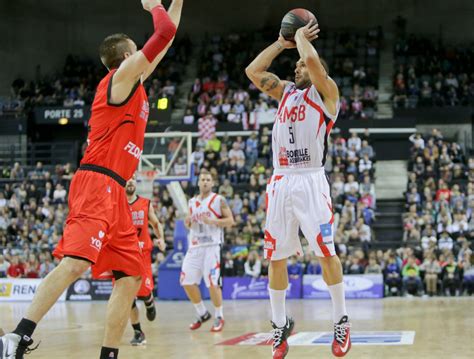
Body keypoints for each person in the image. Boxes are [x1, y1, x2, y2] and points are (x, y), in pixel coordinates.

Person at [0, 1, 182, 358]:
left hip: (116, 191)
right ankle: (16, 338)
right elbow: (163, 33)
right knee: (76, 262)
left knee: (130, 277)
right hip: (97, 183)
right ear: (127, 55)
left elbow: (168, 40)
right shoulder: (118, 80)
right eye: (137, 48)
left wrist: (178, 1)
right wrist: (155, 5)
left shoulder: (136, 81)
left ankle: (108, 354)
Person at [246, 20, 351, 358]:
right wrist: (281, 43)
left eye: (301, 64)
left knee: (325, 252)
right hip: (281, 180)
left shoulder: (326, 92)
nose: (297, 66)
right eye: (296, 65)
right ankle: (279, 325)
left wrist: (304, 41)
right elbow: (253, 71)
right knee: (275, 257)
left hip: (310, 180)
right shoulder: (287, 91)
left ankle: (341, 320)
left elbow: (316, 65)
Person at [181, 170, 234, 333]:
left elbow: (231, 221)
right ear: (198, 183)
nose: (205, 182)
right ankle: (202, 313)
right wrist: (188, 222)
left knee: (212, 283)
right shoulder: (191, 202)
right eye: (202, 179)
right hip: (195, 246)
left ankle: (219, 315)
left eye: (208, 180)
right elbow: (188, 224)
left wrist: (213, 221)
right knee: (186, 281)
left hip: (212, 246)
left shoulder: (219, 200)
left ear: (212, 183)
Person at [125, 177, 166, 346]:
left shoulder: (144, 204)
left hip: (142, 254)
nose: (130, 182)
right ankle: (138, 332)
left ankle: (149, 302)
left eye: (133, 179)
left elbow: (156, 223)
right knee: (126, 297)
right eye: (127, 179)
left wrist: (161, 239)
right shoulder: (116, 204)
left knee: (143, 292)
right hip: (122, 255)